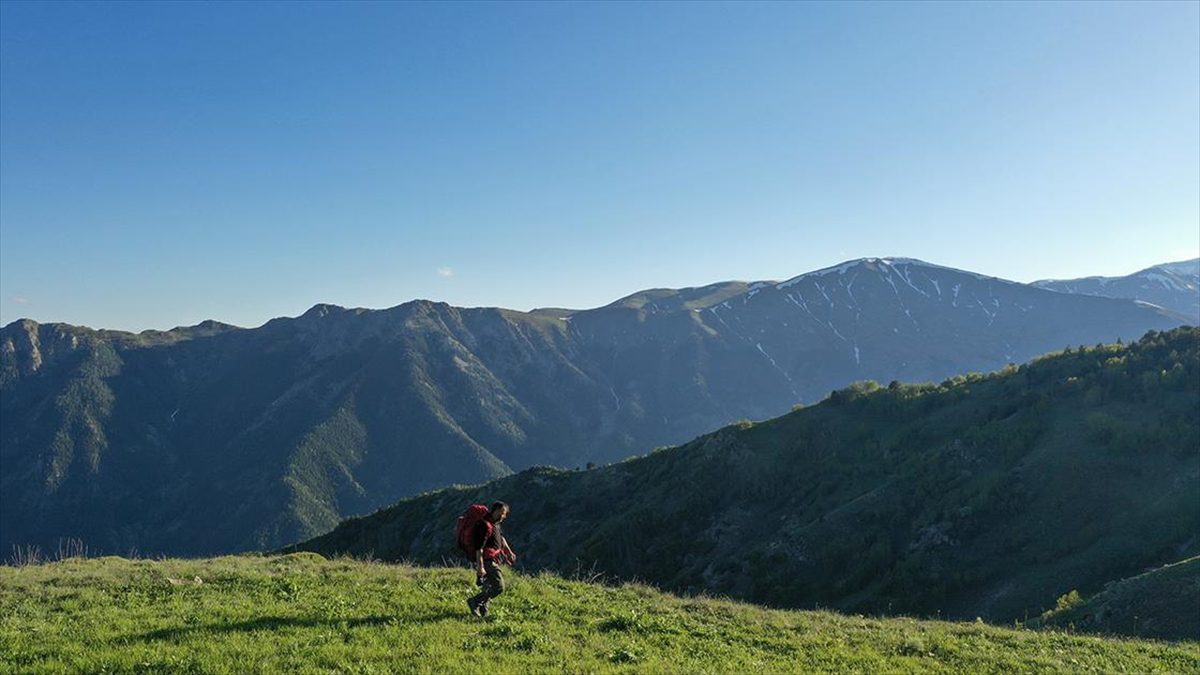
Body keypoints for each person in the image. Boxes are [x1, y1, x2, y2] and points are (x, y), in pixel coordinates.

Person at [466, 501, 516, 618]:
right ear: (496, 511)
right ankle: (475, 601)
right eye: (502, 513)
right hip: (487, 561)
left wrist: (509, 552)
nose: (504, 516)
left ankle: (484, 610)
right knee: (499, 587)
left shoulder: (495, 524)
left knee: (488, 586)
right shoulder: (484, 525)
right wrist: (480, 567)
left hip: (493, 559)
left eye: (505, 514)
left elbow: (501, 538)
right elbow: (479, 548)